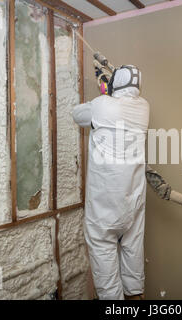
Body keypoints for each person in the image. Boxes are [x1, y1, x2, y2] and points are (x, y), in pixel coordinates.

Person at [72, 65, 149, 300]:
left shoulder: (102, 105)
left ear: (115, 85)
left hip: (104, 206)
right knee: (132, 252)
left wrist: (105, 91)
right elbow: (118, 102)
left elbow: (77, 114)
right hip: (133, 202)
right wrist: (109, 88)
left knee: (104, 255)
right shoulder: (144, 106)